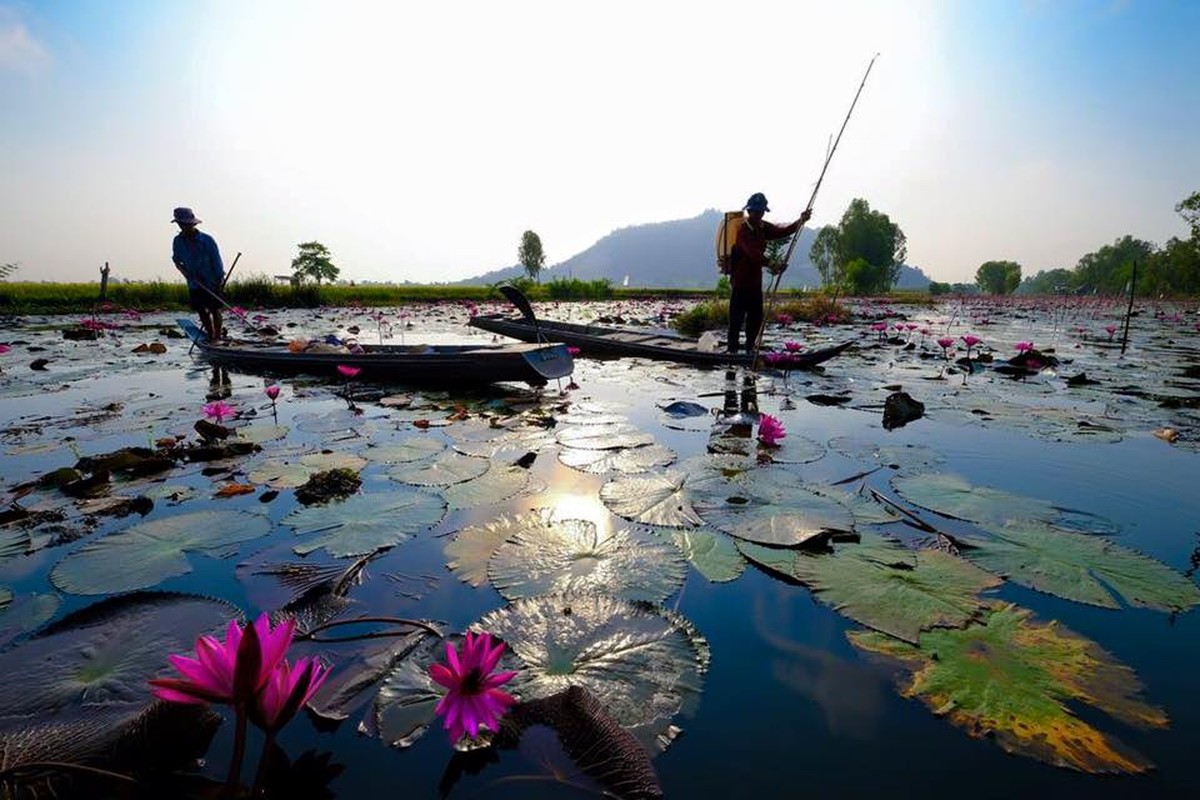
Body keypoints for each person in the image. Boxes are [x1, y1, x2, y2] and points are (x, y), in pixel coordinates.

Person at [726, 193, 811, 353]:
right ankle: (732, 352)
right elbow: (753, 254)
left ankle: (750, 350)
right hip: (740, 283)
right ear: (749, 212)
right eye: (756, 212)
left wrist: (800, 221)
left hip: (755, 284)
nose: (759, 215)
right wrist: (773, 264)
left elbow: (782, 231)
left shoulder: (763, 227)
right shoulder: (742, 231)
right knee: (736, 321)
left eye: (761, 212)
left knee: (755, 320)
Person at [171, 207, 225, 341]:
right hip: (194, 283)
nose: (185, 227)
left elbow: (216, 261)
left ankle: (217, 337)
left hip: (211, 281)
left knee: (214, 309)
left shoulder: (207, 240)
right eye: (182, 225)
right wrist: (186, 273)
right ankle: (210, 335)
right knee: (201, 309)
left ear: (193, 224)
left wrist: (219, 280)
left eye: (188, 224)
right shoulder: (178, 241)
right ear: (179, 224)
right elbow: (177, 261)